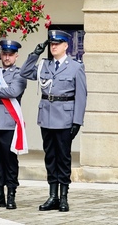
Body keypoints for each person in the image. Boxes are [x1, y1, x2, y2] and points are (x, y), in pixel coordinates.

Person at [20, 30, 87, 212]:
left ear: (66, 45)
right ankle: (52, 196)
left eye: (57, 44)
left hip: (65, 118)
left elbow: (81, 96)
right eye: (51, 44)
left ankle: (64, 197)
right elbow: (25, 72)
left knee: (63, 158)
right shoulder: (44, 66)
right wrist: (35, 54)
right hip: (47, 117)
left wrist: (77, 121)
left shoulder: (75, 67)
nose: (53, 46)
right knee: (50, 157)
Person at [0, 39, 27, 210]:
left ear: (16, 56)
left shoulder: (20, 74)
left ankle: (11, 194)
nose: (7, 57)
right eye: (4, 54)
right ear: (0, 55)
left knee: (9, 160)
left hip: (8, 121)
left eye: (10, 54)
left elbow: (13, 91)